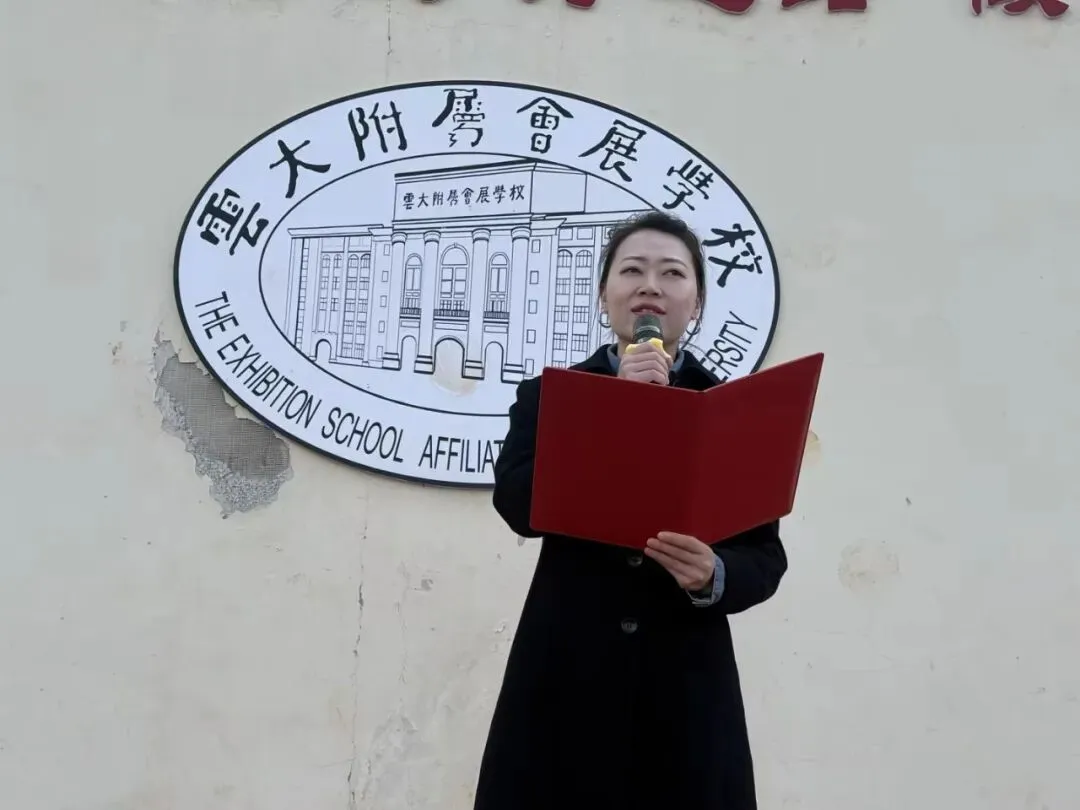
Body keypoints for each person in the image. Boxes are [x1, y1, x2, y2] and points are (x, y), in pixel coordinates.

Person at [471, 211, 788, 810]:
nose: (650, 286)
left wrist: (713, 574)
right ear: (604, 296)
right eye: (632, 270)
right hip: (567, 674)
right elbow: (517, 503)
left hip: (685, 686)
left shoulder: (734, 411)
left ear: (696, 304)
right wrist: (616, 410)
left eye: (673, 273)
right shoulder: (552, 395)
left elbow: (764, 558)